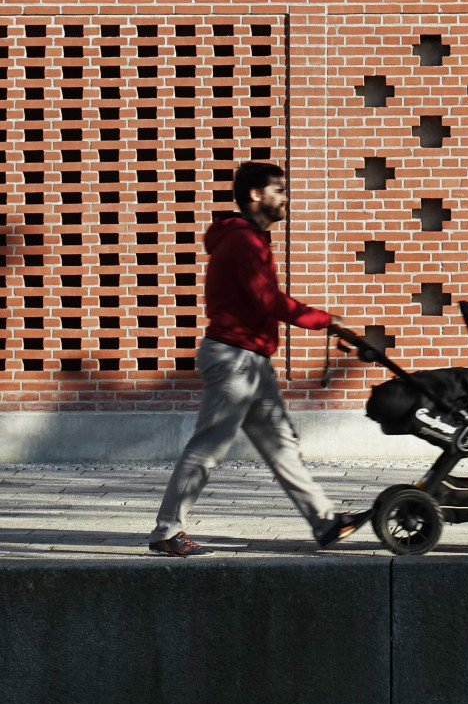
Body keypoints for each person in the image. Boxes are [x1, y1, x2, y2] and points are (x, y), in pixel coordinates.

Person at [149, 159, 365, 556]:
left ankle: (325, 522)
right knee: (208, 447)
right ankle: (166, 532)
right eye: (278, 190)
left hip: (250, 360)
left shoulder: (248, 240)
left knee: (280, 444)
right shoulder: (244, 242)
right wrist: (325, 320)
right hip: (234, 359)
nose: (285, 197)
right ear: (255, 195)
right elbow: (268, 300)